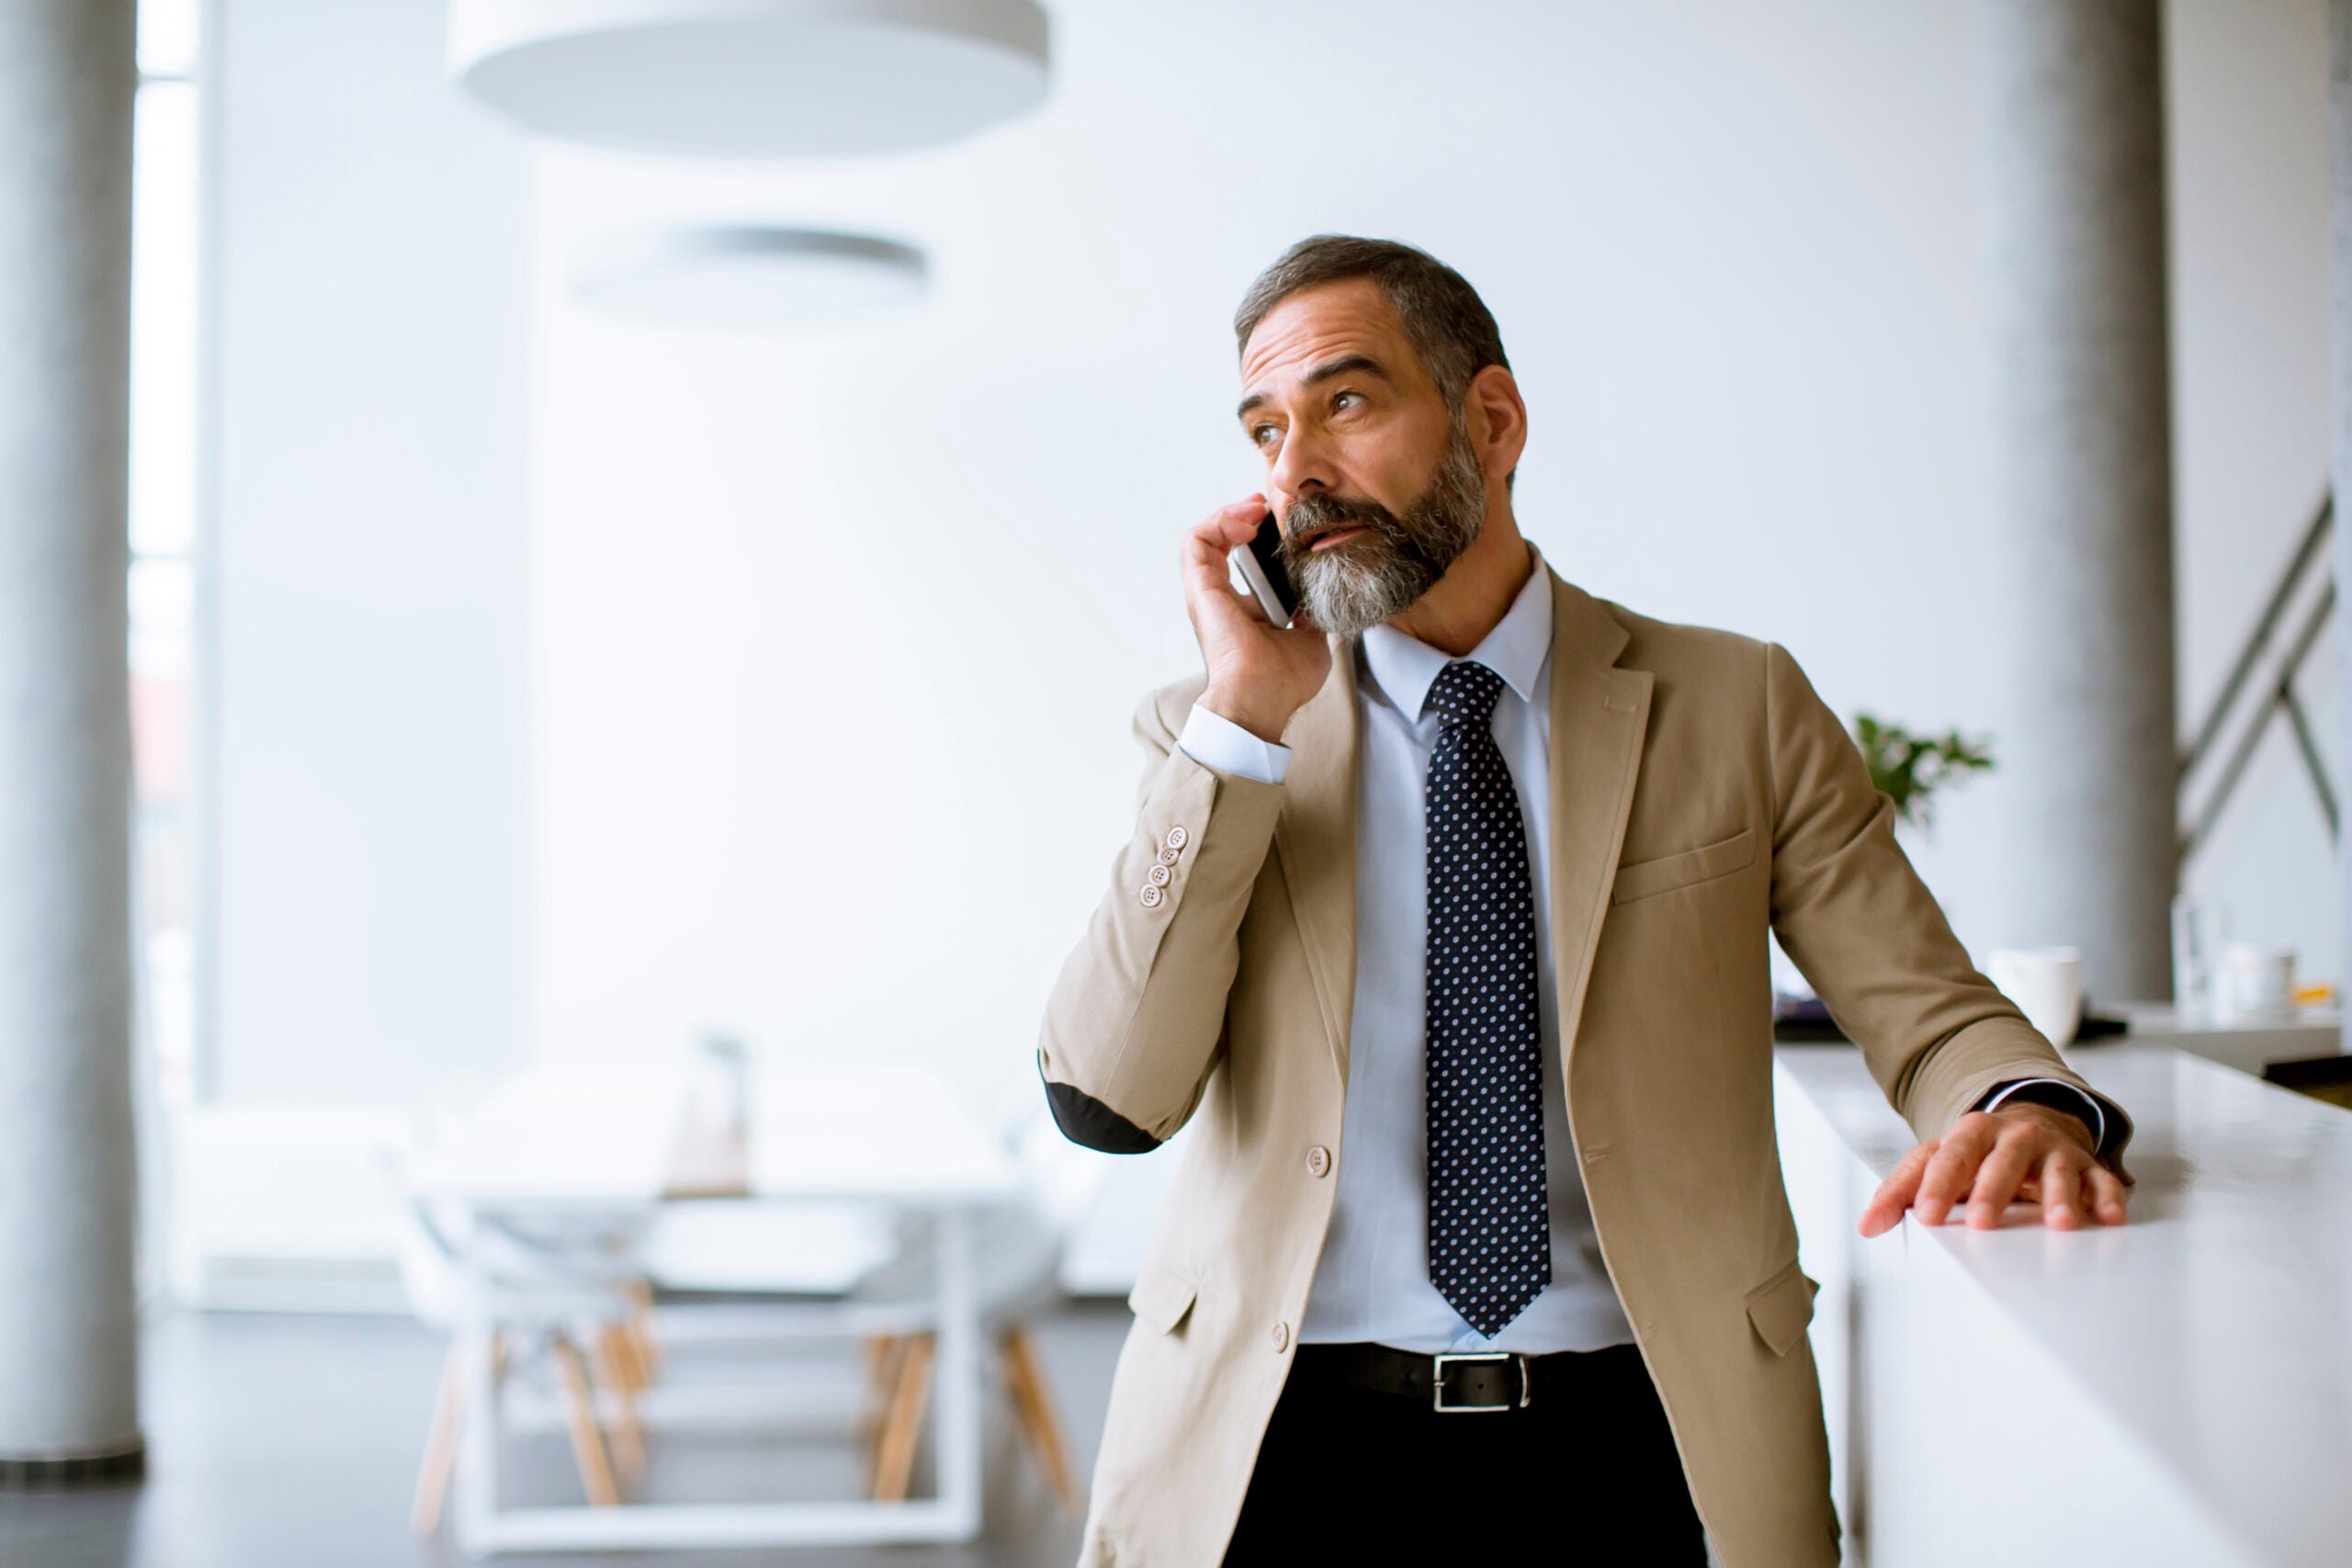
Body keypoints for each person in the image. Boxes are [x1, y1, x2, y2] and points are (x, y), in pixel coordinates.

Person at [1036, 235, 2132, 1567]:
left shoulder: (1738, 706)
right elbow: (1107, 1098)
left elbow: (1928, 1006)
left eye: (1346, 403)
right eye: (1266, 428)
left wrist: (2021, 1105)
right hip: (1280, 1449)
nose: (1294, 471)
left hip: (1645, 1445)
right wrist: (1241, 726)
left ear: (1491, 420)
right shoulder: (1213, 738)